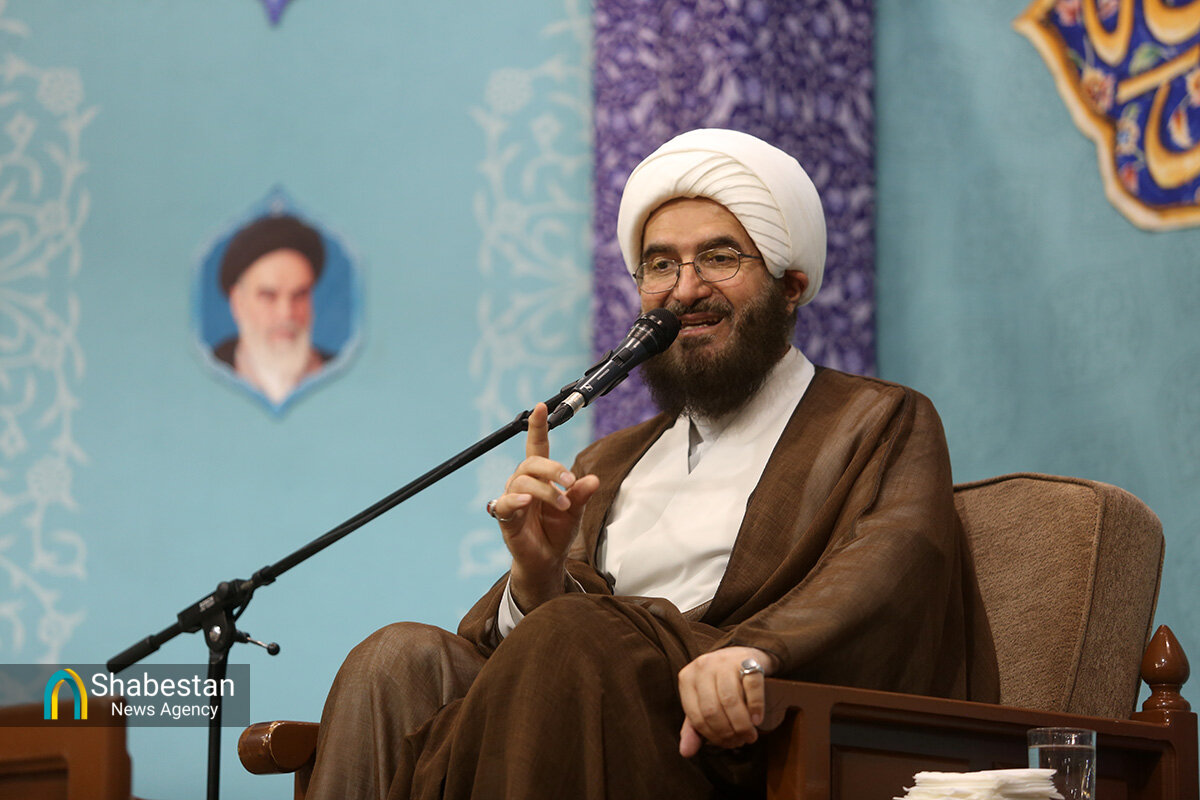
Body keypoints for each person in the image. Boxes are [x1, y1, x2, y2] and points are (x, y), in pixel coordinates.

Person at [307, 129, 998, 800]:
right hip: (579, 707)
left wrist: (754, 654)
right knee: (395, 660)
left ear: (790, 286)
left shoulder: (875, 420)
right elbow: (547, 641)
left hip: (741, 739)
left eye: (719, 258)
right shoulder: (610, 459)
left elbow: (888, 566)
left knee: (569, 635)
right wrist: (538, 578)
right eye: (661, 265)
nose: (684, 290)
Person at [213, 214, 333, 405]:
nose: (286, 314)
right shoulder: (210, 373)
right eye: (269, 296)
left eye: (299, 295)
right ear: (238, 303)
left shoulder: (338, 373)